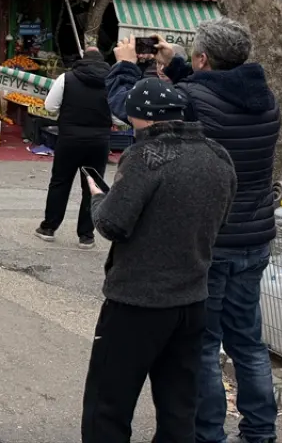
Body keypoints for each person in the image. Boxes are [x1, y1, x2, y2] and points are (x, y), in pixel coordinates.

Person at [106, 19, 281, 443]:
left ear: (204, 59)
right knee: (249, 342)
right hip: (255, 237)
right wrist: (179, 63)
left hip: (211, 239)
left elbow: (128, 108)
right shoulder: (267, 100)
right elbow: (215, 93)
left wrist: (127, 67)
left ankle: (208, 434)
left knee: (205, 344)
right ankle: (261, 431)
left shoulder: (194, 100)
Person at [82, 77, 236, 443]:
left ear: (142, 118)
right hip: (193, 299)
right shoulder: (217, 155)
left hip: (137, 301)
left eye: (129, 118)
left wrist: (97, 197)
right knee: (178, 404)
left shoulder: (146, 156)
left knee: (109, 403)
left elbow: (111, 224)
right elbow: (222, 219)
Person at [35, 46, 112, 249]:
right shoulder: (111, 81)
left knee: (60, 182)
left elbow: (50, 106)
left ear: (82, 59)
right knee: (92, 186)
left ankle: (49, 227)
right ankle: (86, 235)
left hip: (69, 139)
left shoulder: (66, 78)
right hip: (99, 141)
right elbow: (118, 114)